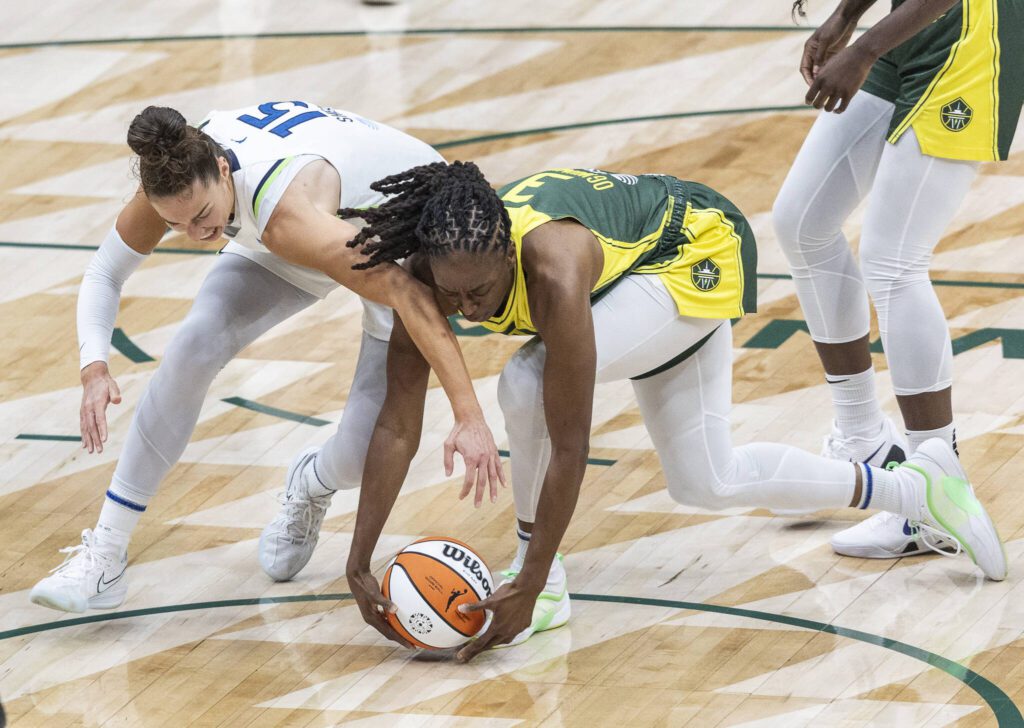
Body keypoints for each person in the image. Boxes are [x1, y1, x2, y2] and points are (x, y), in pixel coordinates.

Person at [340, 161, 1006, 662]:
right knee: (706, 480)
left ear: (508, 252)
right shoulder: (432, 270)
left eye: (480, 292)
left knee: (527, 378)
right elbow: (398, 420)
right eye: (452, 297)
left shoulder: (553, 267)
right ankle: (917, 487)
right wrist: (359, 559)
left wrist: (535, 572)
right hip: (640, 266)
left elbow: (570, 442)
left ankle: (542, 588)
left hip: (696, 248)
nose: (467, 310)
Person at [29, 101, 504, 614]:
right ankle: (105, 554)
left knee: (362, 455)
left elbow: (410, 296)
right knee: (194, 343)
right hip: (321, 228)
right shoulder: (177, 168)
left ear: (223, 169)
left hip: (397, 242)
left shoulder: (286, 217)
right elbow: (105, 272)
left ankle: (311, 482)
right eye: (177, 224)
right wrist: (94, 366)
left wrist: (469, 415)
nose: (197, 236)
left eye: (203, 217)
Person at [772, 0, 1023, 557]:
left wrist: (863, 48)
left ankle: (935, 488)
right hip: (907, 31)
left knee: (894, 261)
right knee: (802, 221)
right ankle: (864, 440)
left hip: (969, 40)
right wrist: (847, 16)